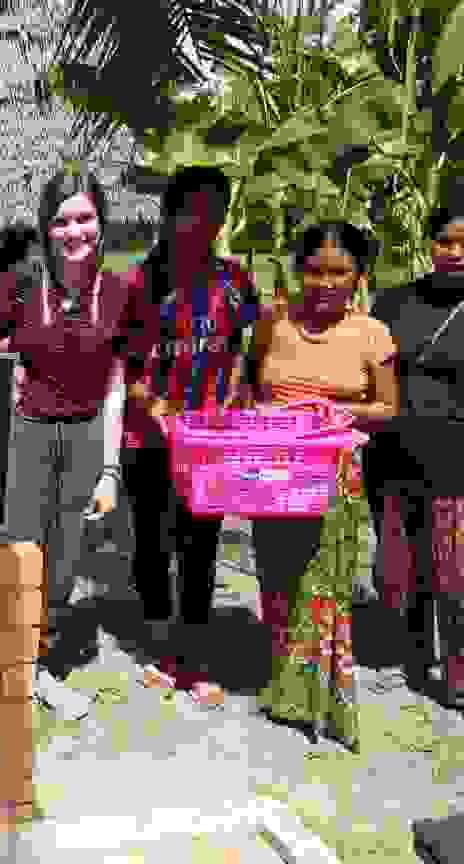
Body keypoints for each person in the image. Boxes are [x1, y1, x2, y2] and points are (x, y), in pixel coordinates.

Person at [0, 165, 147, 720]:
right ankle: (6, 667)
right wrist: (6, 376)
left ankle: (39, 668)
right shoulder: (20, 284)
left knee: (63, 560)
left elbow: (116, 387)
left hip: (84, 436)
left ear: (101, 224)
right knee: (16, 551)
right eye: (61, 221)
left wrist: (109, 469)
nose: (73, 231)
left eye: (84, 218)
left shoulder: (122, 294)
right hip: (24, 433)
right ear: (45, 227)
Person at [247, 222, 397, 749]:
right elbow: (252, 387)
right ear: (299, 270)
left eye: (339, 271)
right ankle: (284, 690)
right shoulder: (274, 324)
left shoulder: (371, 333)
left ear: (358, 275)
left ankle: (320, 699)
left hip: (334, 474)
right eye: (315, 271)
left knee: (324, 586)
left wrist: (332, 411)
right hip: (272, 469)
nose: (326, 282)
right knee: (277, 577)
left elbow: (387, 406)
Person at [121, 165, 261, 705]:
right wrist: (156, 407)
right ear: (171, 214)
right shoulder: (139, 281)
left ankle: (194, 657)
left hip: (209, 442)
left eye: (215, 212)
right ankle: (159, 647)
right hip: (149, 439)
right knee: (153, 544)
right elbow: (123, 364)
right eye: (193, 210)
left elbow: (251, 344)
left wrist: (241, 389)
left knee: (201, 544)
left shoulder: (235, 280)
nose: (204, 222)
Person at [370, 190, 464, 711]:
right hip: (393, 458)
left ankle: (457, 672)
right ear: (430, 244)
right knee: (399, 570)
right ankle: (410, 656)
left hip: (456, 465)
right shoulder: (395, 302)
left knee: (455, 572)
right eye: (444, 240)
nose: (454, 251)